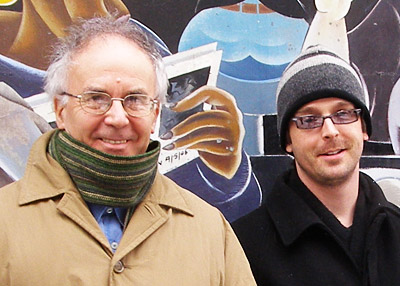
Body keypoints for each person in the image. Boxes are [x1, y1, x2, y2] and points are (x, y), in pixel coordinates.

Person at [0, 16, 256, 286]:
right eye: (96, 98)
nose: (118, 118)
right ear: (60, 111)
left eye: (134, 99)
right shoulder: (5, 219)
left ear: (155, 113)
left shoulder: (209, 229)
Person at [232, 45, 400, 285]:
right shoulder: (244, 246)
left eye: (343, 114)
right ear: (288, 139)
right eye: (309, 120)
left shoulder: (395, 230)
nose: (330, 131)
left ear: (363, 127)